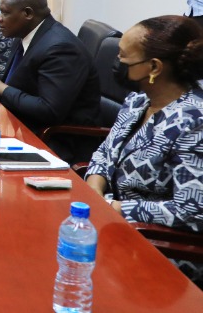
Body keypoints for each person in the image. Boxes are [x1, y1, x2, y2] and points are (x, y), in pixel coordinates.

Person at [84, 15, 203, 285]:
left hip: (161, 247)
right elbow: (105, 153)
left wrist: (116, 208)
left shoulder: (194, 122)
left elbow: (192, 210)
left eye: (123, 57)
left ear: (154, 67)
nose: (117, 62)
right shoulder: (137, 101)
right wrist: (94, 190)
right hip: (109, 224)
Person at [0, 0, 101, 162]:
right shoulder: (25, 34)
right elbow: (25, 83)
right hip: (20, 125)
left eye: (5, 13)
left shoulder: (60, 48)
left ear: (28, 13)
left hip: (53, 140)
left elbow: (49, 110)